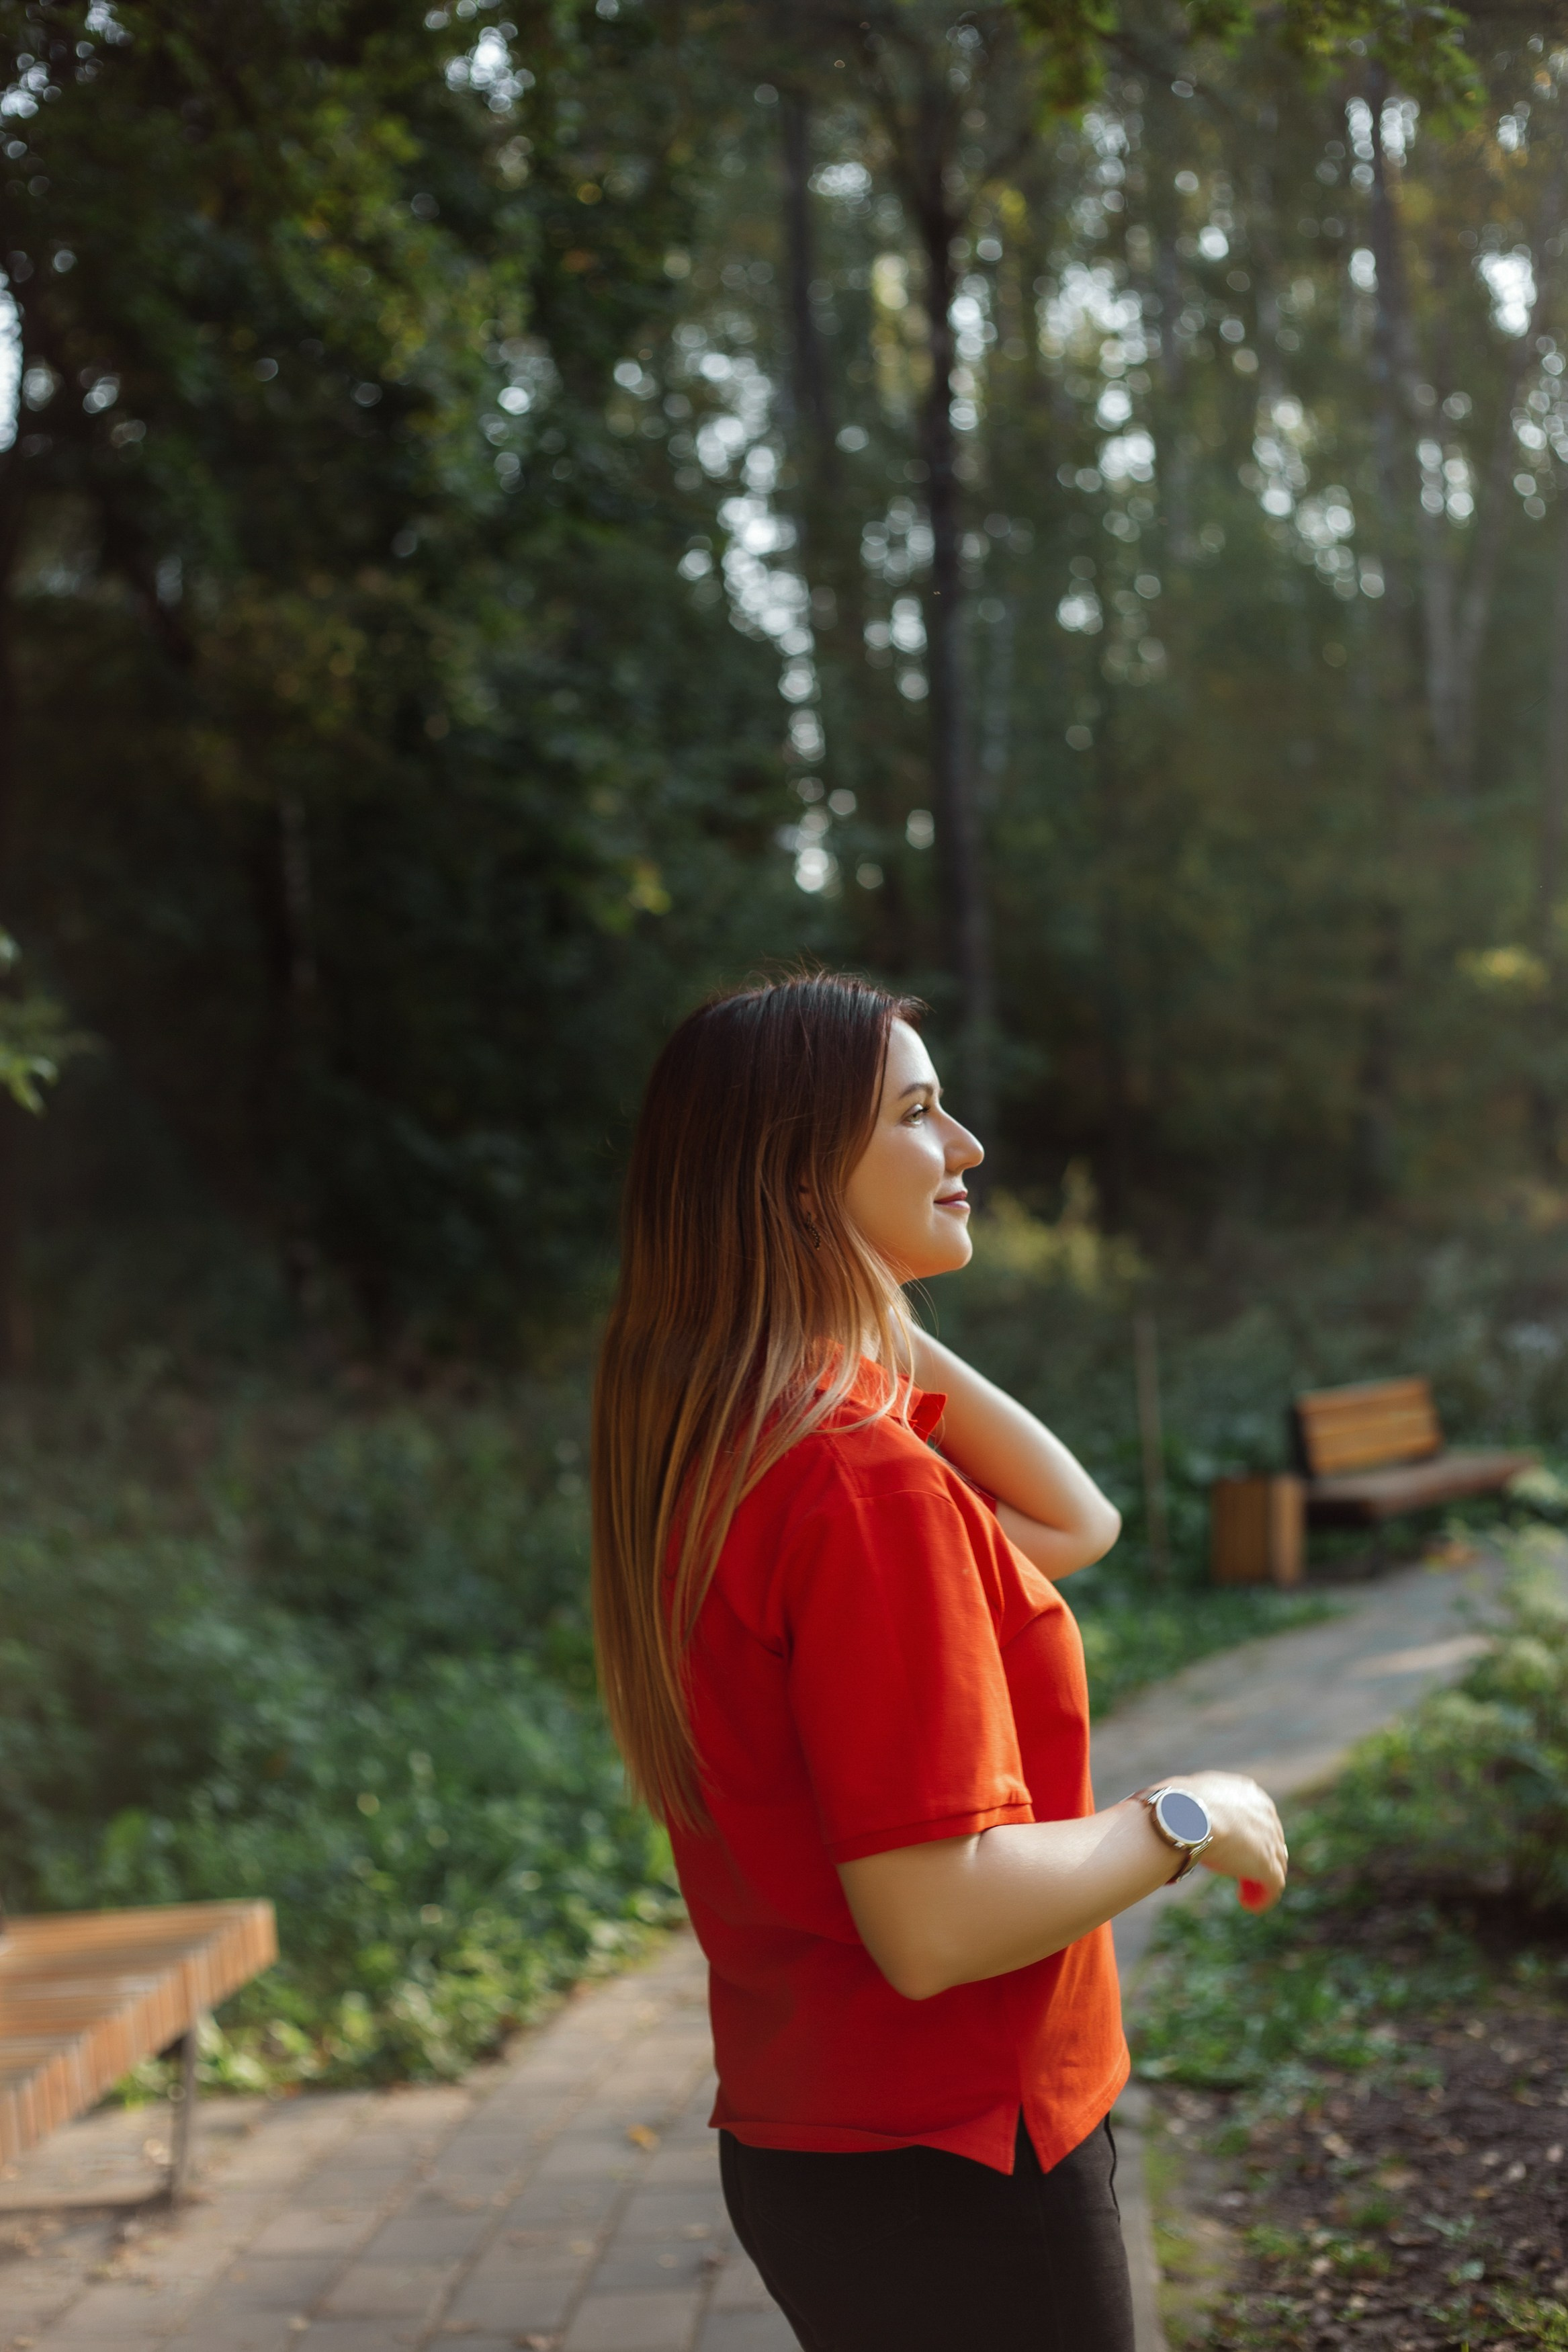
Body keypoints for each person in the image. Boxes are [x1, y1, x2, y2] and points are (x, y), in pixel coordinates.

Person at [592, 972, 1287, 2352]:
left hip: (834, 2145)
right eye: (916, 1113)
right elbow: (935, 1921)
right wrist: (1186, 1816)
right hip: (957, 2158)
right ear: (799, 1179)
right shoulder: (856, 1480)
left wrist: (860, 1304)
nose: (965, 1143)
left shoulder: (734, 1438)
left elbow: (1073, 1522)